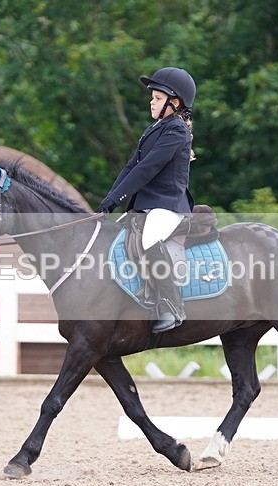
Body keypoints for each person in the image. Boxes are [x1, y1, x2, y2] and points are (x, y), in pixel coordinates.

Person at [95, 67, 196, 333]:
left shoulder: (176, 131)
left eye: (158, 98)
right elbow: (130, 167)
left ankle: (171, 307)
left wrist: (116, 199)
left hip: (168, 204)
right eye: (152, 97)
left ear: (174, 103)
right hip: (147, 205)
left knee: (150, 238)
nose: (152, 101)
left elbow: (146, 169)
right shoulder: (155, 128)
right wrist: (108, 201)